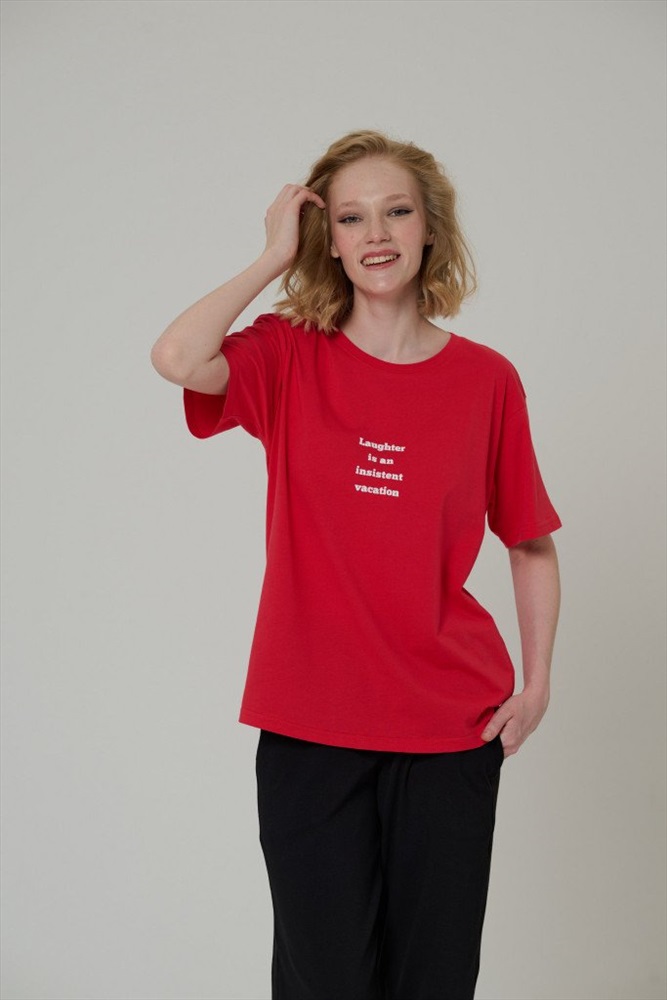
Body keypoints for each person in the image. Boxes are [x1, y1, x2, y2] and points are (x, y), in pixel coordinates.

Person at [151, 130, 562, 1000]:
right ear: (327, 239)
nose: (375, 233)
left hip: (449, 730)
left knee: (432, 980)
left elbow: (528, 540)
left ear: (428, 227)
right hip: (309, 727)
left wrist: (536, 685)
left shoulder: (486, 380)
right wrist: (272, 256)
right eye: (349, 217)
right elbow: (177, 358)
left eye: (396, 211)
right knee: (323, 981)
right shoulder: (288, 355)